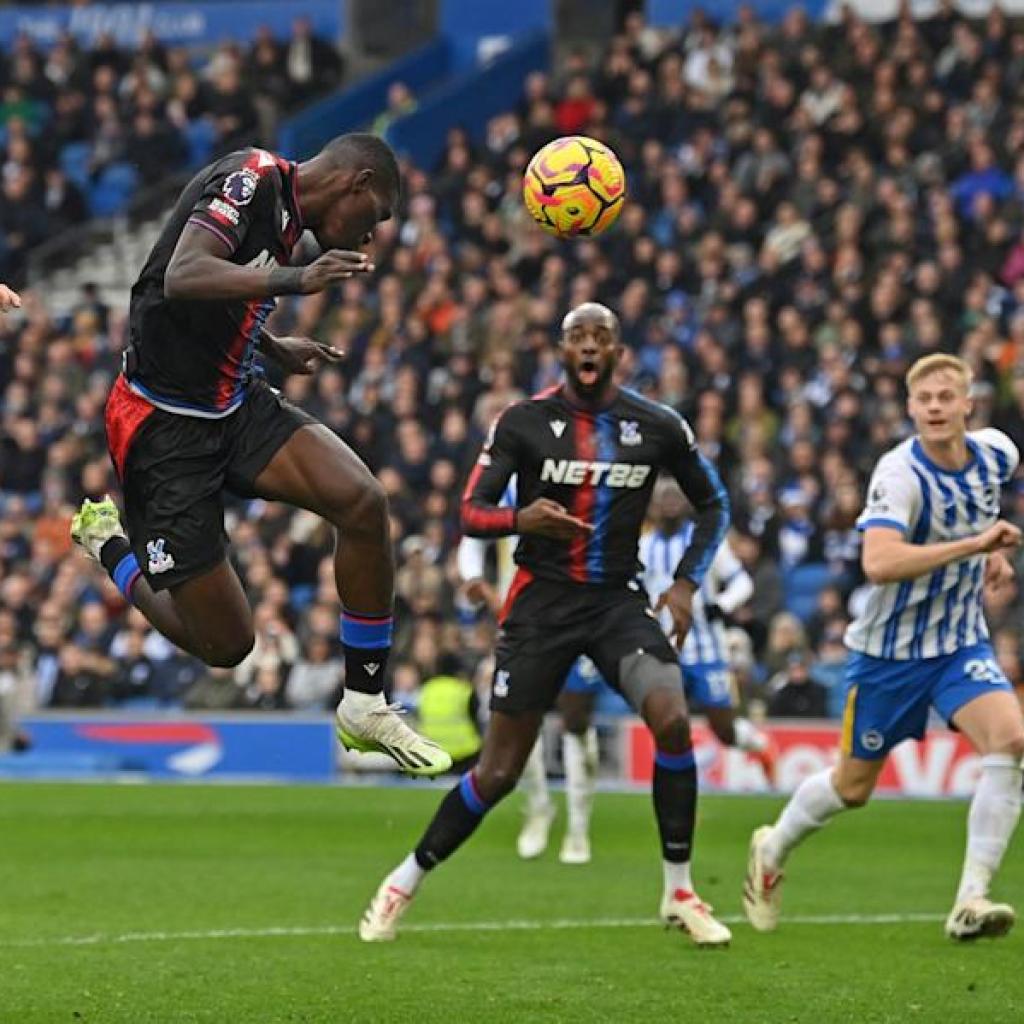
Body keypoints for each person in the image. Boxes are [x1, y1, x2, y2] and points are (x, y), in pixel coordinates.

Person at [69, 133, 450, 776]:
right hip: (163, 428)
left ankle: (364, 700)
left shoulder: (293, 217)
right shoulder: (251, 179)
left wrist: (272, 347)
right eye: (375, 216)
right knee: (226, 644)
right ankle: (111, 547)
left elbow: (218, 302)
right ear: (355, 183)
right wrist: (297, 279)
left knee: (362, 501)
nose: (369, 237)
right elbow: (182, 275)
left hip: (236, 401)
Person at [359, 301, 733, 946]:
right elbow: (472, 511)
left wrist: (686, 581)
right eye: (577, 336)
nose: (589, 346)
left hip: (617, 602)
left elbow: (715, 503)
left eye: (602, 337)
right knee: (500, 772)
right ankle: (403, 881)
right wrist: (520, 520)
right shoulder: (525, 422)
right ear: (561, 350)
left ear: (618, 352)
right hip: (540, 607)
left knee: (672, 720)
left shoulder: (657, 426)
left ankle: (680, 890)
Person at [744, 353, 1024, 942]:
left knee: (1011, 739)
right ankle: (771, 852)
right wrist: (978, 545)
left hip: (956, 642)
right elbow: (878, 562)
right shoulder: (899, 474)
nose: (936, 408)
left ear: (968, 404)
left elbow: (979, 514)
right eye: (925, 399)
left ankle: (970, 899)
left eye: (947, 397)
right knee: (852, 788)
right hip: (888, 655)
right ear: (909, 408)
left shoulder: (997, 452)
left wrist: (990, 553)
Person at [457, 478, 606, 865]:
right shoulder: (512, 488)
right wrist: (475, 579)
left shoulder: (594, 477)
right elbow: (473, 536)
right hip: (526, 619)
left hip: (585, 612)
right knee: (520, 716)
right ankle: (539, 807)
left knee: (576, 717)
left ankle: (578, 826)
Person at [640, 476, 776, 782]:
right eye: (664, 498)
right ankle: (676, 783)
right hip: (664, 652)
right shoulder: (643, 547)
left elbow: (743, 582)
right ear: (653, 507)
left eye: (677, 497)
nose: (670, 503)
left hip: (707, 650)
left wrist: (723, 605)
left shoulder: (706, 542)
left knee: (724, 729)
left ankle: (761, 746)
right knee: (665, 723)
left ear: (687, 504)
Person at [417, 652, 483, 775]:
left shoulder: (426, 689)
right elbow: (477, 719)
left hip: (435, 754)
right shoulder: (464, 689)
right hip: (466, 754)